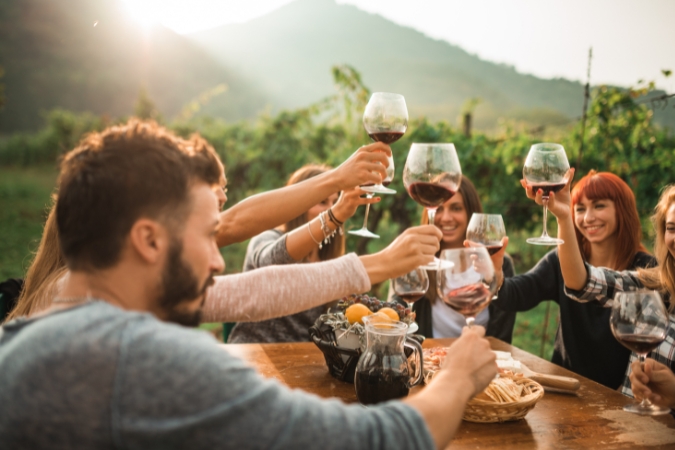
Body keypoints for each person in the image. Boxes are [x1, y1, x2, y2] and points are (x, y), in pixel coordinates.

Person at [0, 120, 498, 449]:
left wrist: (375, 265)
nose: (219, 259)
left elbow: (256, 291)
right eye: (209, 235)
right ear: (148, 241)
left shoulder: (25, 338)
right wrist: (457, 378)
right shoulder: (144, 360)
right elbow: (373, 440)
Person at [4, 137, 388, 324]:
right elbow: (251, 287)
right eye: (211, 196)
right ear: (145, 234)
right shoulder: (94, 293)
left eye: (224, 191)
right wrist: (378, 263)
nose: (223, 198)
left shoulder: (90, 283)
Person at [492, 170, 655, 389]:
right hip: (566, 388)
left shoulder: (647, 270)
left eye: (599, 206)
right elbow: (516, 296)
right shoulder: (562, 260)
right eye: (579, 209)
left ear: (622, 210)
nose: (588, 218)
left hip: (620, 398)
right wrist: (495, 275)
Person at [228, 164, 371, 343]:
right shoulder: (267, 237)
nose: (331, 209)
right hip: (255, 355)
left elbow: (334, 326)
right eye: (322, 202)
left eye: (335, 202)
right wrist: (335, 215)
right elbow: (271, 263)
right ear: (298, 204)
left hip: (302, 362)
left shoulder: (328, 257)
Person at [392, 176, 517, 343]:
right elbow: (396, 313)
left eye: (456, 208)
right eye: (439, 209)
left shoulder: (497, 263)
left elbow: (502, 335)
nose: (446, 218)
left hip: (483, 360)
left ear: (471, 212)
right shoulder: (419, 261)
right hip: (432, 361)